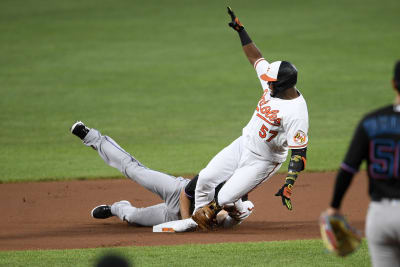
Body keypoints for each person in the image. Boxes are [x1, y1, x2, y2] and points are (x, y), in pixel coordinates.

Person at [192, 7, 309, 228]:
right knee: (206, 178)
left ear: (283, 84)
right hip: (243, 144)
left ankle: (242, 211)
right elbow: (255, 57)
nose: (267, 83)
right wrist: (241, 30)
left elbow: (299, 153)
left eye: (271, 82)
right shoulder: (273, 83)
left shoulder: (296, 113)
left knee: (226, 198)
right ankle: (200, 217)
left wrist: (289, 183)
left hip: (263, 161)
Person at [70, 121, 253, 231]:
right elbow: (186, 195)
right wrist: (186, 221)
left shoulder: (240, 189)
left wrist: (231, 217)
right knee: (135, 171)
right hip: (176, 193)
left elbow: (223, 218)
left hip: (174, 218)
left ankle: (116, 209)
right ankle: (91, 137)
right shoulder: (216, 172)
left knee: (134, 218)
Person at [323, 61, 400, 267]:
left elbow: (347, 169)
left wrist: (334, 207)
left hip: (380, 217)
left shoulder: (371, 122)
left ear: (393, 83)